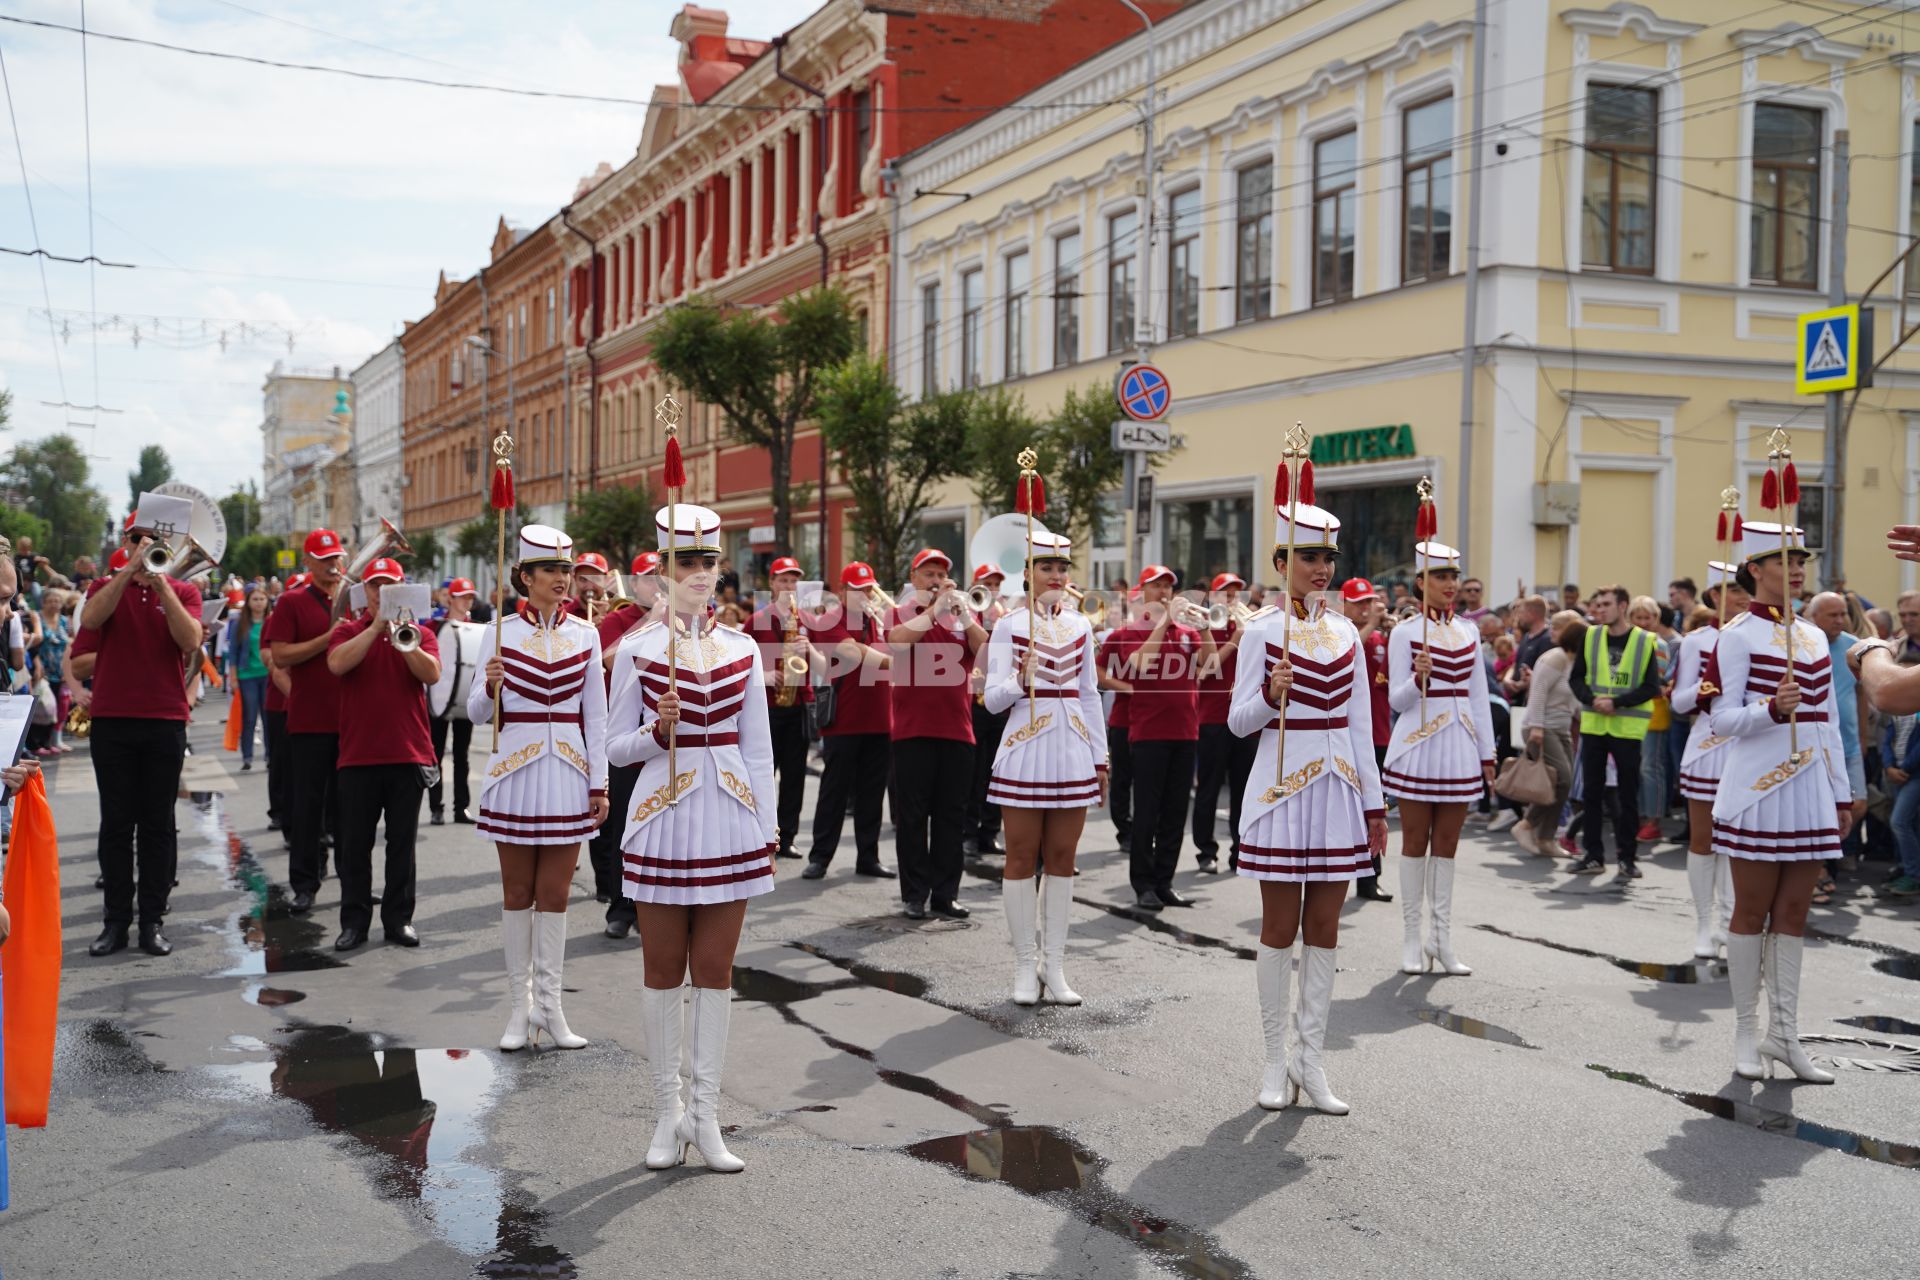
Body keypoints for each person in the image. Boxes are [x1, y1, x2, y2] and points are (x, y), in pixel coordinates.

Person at [606, 504, 774, 1173]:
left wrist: (766, 825)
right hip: (662, 818)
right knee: (660, 971)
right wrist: (656, 733)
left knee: (714, 973)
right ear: (660, 573)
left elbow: (759, 750)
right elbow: (616, 748)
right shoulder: (637, 651)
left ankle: (705, 1121)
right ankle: (665, 1116)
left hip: (729, 814)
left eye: (708, 562)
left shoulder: (744, 647)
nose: (700, 574)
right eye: (685, 563)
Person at [1232, 500, 1385, 1114]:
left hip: (1338, 791)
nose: (1321, 568)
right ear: (1280, 561)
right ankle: (1274, 1060)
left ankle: (1310, 1061)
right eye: (1308, 556)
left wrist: (1374, 807)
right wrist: (1271, 696)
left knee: (1325, 929)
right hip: (1279, 790)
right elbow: (1239, 722)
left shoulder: (1347, 631)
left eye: (1327, 557)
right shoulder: (1261, 631)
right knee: (1278, 928)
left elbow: (1359, 725)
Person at [1711, 519, 1849, 1083]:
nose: (1796, 571)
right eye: (1784, 563)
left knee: (1795, 912)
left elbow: (1831, 723)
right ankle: (1746, 1030)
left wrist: (1843, 793)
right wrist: (1769, 709)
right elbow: (1721, 719)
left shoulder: (1816, 636)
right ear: (1755, 571)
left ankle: (1784, 1036)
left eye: (1800, 563)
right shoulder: (1737, 634)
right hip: (1757, 788)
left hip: (1811, 785)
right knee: (1750, 912)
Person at [471, 526, 608, 1052]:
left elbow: (594, 717)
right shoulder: (499, 631)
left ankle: (551, 1009)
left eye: (566, 570)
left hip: (569, 773)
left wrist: (599, 783)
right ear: (524, 577)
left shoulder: (586, 634)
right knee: (517, 894)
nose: (562, 579)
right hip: (515, 770)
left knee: (555, 896)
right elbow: (478, 713)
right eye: (550, 570)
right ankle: (518, 1010)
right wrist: (490, 684)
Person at [981, 529, 1108, 1004]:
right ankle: (1021, 965)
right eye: (1046, 567)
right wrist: (1020, 679)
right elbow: (992, 701)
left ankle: (1053, 966)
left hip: (1073, 747)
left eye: (1062, 567)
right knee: (1019, 856)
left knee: (1062, 860)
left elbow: (1091, 694)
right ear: (1028, 574)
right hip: (1024, 748)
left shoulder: (1080, 626)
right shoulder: (1008, 626)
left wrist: (1101, 755)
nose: (1056, 576)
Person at [79, 499, 206, 957]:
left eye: (154, 542)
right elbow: (91, 621)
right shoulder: (102, 587)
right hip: (113, 719)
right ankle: (115, 921)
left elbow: (190, 642)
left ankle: (152, 920)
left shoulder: (184, 591)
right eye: (137, 539)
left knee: (157, 825)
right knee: (116, 824)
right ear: (125, 541)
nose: (146, 546)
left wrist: (161, 584)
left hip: (164, 719)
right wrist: (128, 573)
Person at [1383, 538, 1495, 976]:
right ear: (1420, 582)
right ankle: (1412, 939)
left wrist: (1488, 752)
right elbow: (1396, 700)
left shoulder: (1469, 630)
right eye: (1442, 576)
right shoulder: (1404, 632)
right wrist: (1417, 679)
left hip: (1460, 746)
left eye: (1454, 575)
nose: (1452, 584)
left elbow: (1479, 696)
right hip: (1417, 745)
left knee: (1447, 847)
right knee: (1414, 842)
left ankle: (1441, 939)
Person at [326, 558, 441, 951]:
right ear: (365, 591)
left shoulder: (420, 632)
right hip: (358, 756)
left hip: (407, 753)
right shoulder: (346, 630)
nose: (380, 593)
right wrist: (375, 627)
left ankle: (398, 921)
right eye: (375, 586)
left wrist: (400, 638)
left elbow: (431, 675)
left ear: (401, 589)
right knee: (354, 846)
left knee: (401, 845)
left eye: (388, 586)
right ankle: (354, 922)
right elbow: (337, 664)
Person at [887, 548, 988, 921]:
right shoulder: (901, 610)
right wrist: (934, 611)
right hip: (912, 731)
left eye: (940, 574)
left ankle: (946, 894)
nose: (934, 581)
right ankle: (915, 894)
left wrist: (963, 614)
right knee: (913, 818)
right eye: (927, 574)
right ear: (914, 579)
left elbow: (987, 653)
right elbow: (897, 641)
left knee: (952, 817)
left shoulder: (961, 617)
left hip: (958, 731)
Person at [1107, 566, 1217, 910]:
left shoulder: (1187, 631)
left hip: (1186, 730)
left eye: (1170, 586)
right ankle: (1143, 883)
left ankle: (1164, 881)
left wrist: (1205, 627)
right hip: (1149, 733)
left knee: (1174, 813)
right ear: (1143, 593)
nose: (1166, 592)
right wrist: (1164, 623)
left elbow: (1209, 663)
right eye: (1158, 587)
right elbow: (1139, 665)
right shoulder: (1131, 630)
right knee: (1148, 812)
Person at [262, 531, 350, 913]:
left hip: (351, 719)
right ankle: (304, 882)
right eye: (325, 558)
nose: (333, 565)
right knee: (307, 806)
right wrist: (328, 639)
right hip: (310, 719)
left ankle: (353, 880)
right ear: (309, 563)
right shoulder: (292, 602)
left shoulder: (355, 598)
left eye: (337, 557)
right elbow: (280, 655)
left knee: (349, 809)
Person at [801, 562, 896, 881]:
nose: (866, 594)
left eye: (869, 588)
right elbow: (849, 652)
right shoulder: (830, 618)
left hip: (881, 717)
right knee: (834, 791)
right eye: (858, 589)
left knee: (872, 793)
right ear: (843, 591)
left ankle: (868, 857)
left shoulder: (884, 620)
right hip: (843, 718)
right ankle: (820, 857)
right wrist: (896, 662)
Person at [1669, 565, 1745, 957]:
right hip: (1707, 747)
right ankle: (1703, 925)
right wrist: (1707, 686)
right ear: (1715, 596)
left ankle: (1733, 924)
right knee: (1704, 841)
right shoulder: (1697, 641)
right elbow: (1679, 701)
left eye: (1747, 589)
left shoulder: (1762, 636)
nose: (1743, 597)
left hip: (1749, 747)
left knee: (1737, 843)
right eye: (1734, 591)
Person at [589, 552, 665, 939]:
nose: (657, 585)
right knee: (622, 827)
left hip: (668, 738)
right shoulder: (618, 621)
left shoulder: (680, 621)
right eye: (649, 579)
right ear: (634, 584)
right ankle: (620, 907)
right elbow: (609, 661)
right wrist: (653, 620)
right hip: (625, 735)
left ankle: (656, 903)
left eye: (661, 576)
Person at [1568, 584, 1661, 880]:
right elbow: (1577, 678)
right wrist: (1592, 699)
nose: (1599, 610)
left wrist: (1616, 702)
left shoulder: (1646, 641)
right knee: (1592, 794)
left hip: (1627, 727)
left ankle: (1627, 858)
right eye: (1597, 604)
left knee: (1627, 797)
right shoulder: (1591, 636)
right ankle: (1593, 855)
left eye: (1606, 604)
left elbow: (1651, 688)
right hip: (1595, 724)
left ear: (1623, 606)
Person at [746, 555, 812, 861]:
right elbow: (738, 664)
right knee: (762, 772)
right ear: (772, 583)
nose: (789, 586)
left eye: (793, 581)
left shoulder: (807, 621)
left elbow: (825, 666)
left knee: (795, 775)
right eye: (783, 580)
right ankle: (759, 833)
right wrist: (765, 674)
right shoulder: (756, 621)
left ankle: (787, 837)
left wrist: (809, 648)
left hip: (797, 704)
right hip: (767, 708)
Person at [1808, 590, 1867, 907]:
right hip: (1814, 744)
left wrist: (1861, 734)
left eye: (1843, 613)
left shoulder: (1852, 648)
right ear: (1813, 617)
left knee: (1857, 804)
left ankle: (1822, 854)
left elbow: (1860, 693)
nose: (1840, 620)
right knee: (1817, 806)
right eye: (1832, 615)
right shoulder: (1804, 645)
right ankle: (1817, 868)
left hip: (1848, 742)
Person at [1192, 572, 1254, 875]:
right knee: (1210, 788)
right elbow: (1205, 669)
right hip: (1213, 717)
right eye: (1225, 593)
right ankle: (1206, 851)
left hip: (1244, 716)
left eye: (1236, 593)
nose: (1232, 599)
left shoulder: (1247, 624)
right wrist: (1234, 641)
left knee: (1244, 790)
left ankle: (1240, 850)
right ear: (1214, 597)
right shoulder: (1206, 625)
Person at [1339, 578, 1393, 900]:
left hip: (1380, 729)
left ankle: (1370, 878)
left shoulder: (1378, 636)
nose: (1366, 608)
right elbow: (1345, 658)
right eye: (1359, 602)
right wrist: (1371, 624)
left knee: (1375, 807)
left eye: (1369, 601)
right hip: (1350, 735)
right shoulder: (1340, 637)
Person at [1517, 611, 1584, 856]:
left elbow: (1573, 700)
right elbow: (1538, 692)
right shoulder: (1554, 658)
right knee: (1563, 779)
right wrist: (1536, 727)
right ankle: (1526, 825)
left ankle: (1546, 838)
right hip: (1542, 728)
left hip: (1561, 729)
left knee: (1563, 785)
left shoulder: (1573, 662)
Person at [964, 563, 1011, 858]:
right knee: (973, 772)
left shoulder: (1005, 615)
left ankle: (989, 832)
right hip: (973, 700)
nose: (992, 589)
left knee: (997, 770)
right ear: (975, 583)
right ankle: (968, 833)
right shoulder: (966, 613)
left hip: (1000, 699)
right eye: (987, 583)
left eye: (996, 584)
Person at [427, 578, 482, 825]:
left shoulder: (477, 630)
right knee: (434, 754)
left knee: (462, 755)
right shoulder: (434, 626)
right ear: (450, 599)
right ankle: (436, 807)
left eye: (470, 597)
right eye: (462, 597)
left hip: (463, 697)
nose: (467, 601)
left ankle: (461, 807)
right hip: (438, 697)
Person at [1628, 596, 1676, 844]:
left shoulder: (1658, 644)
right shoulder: (1628, 642)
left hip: (1653, 710)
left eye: (1648, 618)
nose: (1644, 622)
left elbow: (1654, 680)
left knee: (1651, 767)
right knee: (1635, 766)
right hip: (1629, 712)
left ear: (1656, 620)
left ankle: (1653, 820)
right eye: (1639, 617)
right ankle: (1636, 815)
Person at [262, 571, 307, 834]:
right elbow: (271, 659)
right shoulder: (275, 618)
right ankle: (278, 811)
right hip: (280, 703)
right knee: (281, 762)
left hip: (305, 706)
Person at [224, 586, 272, 772]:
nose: (259, 602)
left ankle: (269, 755)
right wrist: (233, 678)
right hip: (247, 676)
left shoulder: (272, 621)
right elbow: (233, 654)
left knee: (269, 717)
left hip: (268, 674)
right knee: (250, 717)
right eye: (255, 599)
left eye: (262, 599)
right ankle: (247, 756)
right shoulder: (239, 624)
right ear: (248, 602)